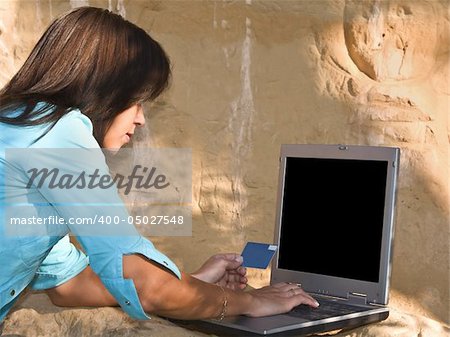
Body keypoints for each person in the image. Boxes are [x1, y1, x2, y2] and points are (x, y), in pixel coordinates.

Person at [0, 6, 318, 325]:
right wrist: (249, 302)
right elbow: (148, 287)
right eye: (136, 100)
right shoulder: (59, 135)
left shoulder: (24, 126)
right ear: (104, 88)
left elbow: (68, 284)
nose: (140, 118)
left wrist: (189, 283)